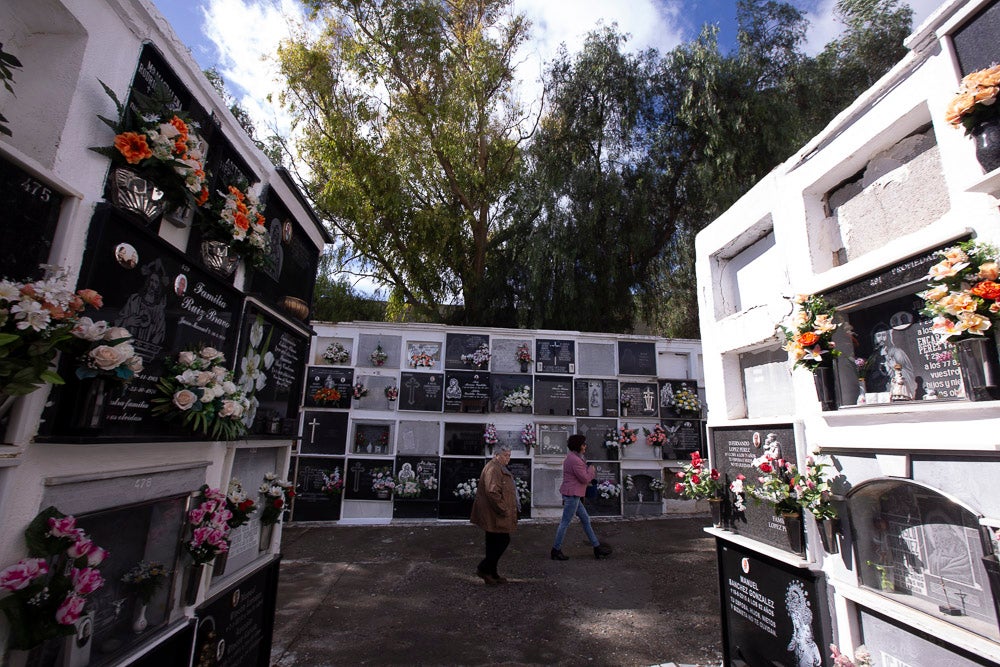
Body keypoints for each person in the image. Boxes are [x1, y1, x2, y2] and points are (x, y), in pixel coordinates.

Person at [550, 434, 613, 561]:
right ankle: (555, 550)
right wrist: (591, 470)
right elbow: (584, 478)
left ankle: (597, 547)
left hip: (574, 495)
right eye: (583, 444)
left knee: (585, 520)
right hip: (572, 495)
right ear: (578, 445)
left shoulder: (574, 457)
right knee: (565, 523)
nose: (585, 446)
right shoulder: (575, 460)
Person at [469, 442, 519, 585]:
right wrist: (503, 509)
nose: (508, 458)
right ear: (496, 455)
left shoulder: (498, 467)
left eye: (509, 455)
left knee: (493, 543)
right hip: (494, 514)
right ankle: (483, 568)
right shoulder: (493, 469)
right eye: (505, 455)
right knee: (502, 540)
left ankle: (493, 573)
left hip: (494, 513)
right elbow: (492, 492)